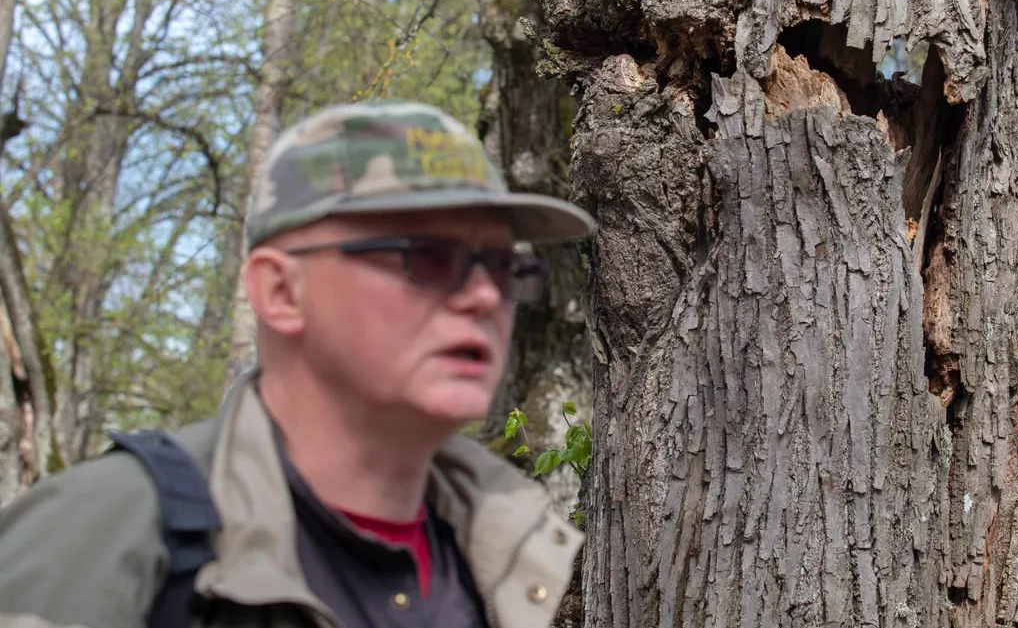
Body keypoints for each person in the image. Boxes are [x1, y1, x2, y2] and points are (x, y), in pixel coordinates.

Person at [0, 100, 595, 628]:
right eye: (429, 257)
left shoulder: (510, 559)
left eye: (501, 266)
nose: (486, 297)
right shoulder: (110, 536)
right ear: (280, 292)